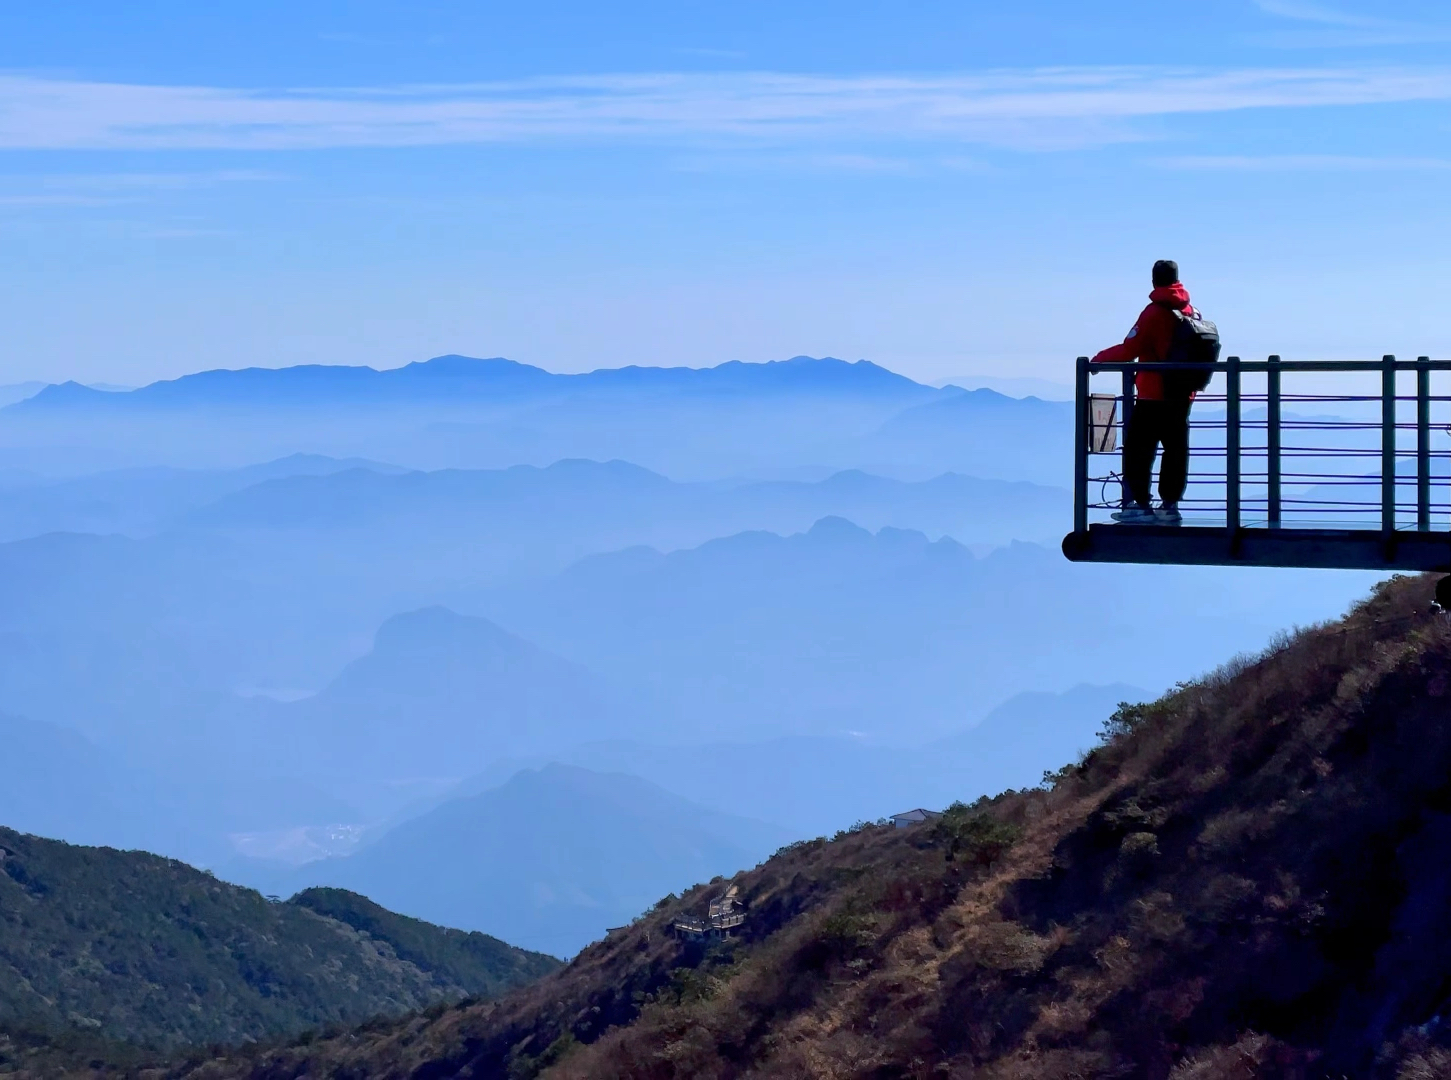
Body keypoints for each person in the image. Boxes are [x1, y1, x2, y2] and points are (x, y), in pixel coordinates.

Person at [1093, 259, 1197, 525]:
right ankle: (1170, 506)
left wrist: (1099, 360)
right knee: (1175, 450)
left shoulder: (1153, 313)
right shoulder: (1190, 312)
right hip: (1183, 395)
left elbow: (1130, 349)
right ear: (1177, 279)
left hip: (1153, 396)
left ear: (1153, 281)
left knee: (1139, 450)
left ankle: (1140, 506)